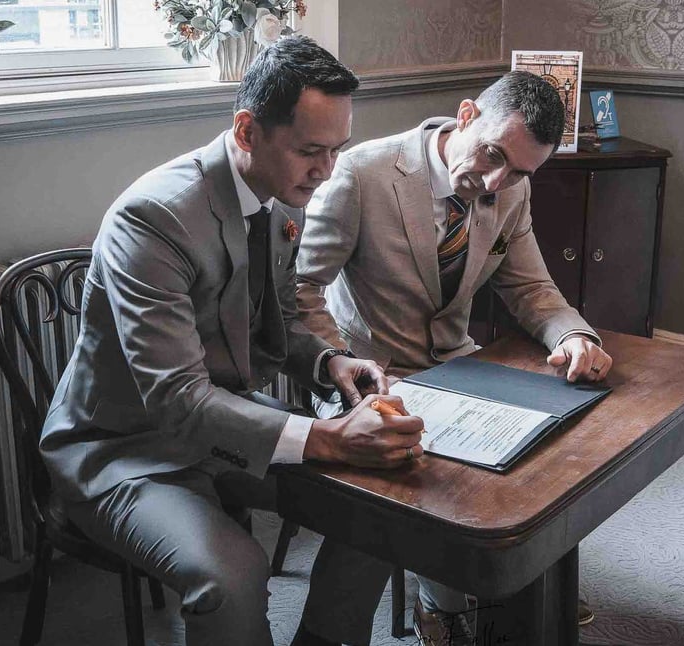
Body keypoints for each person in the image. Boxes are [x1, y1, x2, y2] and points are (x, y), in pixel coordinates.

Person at [39, 35, 423, 646]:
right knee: (234, 575)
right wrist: (326, 437)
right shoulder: (153, 218)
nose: (327, 171)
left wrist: (331, 362)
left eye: (338, 149)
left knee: (383, 499)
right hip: (126, 447)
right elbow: (176, 400)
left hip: (224, 423)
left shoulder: (282, 200)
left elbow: (278, 322)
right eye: (310, 151)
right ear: (247, 130)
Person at [295, 70, 612, 645]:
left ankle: (514, 590)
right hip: (363, 375)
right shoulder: (363, 173)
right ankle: (358, 628)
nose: (496, 181)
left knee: (549, 451)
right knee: (391, 482)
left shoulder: (512, 187)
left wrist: (571, 336)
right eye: (493, 155)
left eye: (519, 172)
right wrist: (338, 361)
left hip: (458, 368)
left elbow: (530, 288)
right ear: (466, 115)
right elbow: (301, 290)